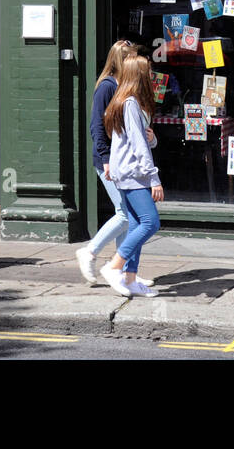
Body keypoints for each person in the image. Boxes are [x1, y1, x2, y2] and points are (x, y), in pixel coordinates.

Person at [75, 40, 146, 285]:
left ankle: (126, 271)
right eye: (131, 59)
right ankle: (90, 251)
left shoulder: (122, 86)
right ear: (121, 62)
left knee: (128, 215)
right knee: (126, 214)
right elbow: (96, 126)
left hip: (120, 160)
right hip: (109, 161)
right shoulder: (106, 87)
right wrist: (105, 159)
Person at [98, 55, 163, 297]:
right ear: (139, 76)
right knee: (150, 222)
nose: (151, 76)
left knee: (136, 223)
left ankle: (130, 278)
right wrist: (154, 178)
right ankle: (114, 266)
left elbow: (139, 139)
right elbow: (137, 145)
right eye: (148, 72)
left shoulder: (123, 100)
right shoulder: (130, 103)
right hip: (133, 174)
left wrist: (153, 138)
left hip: (125, 172)